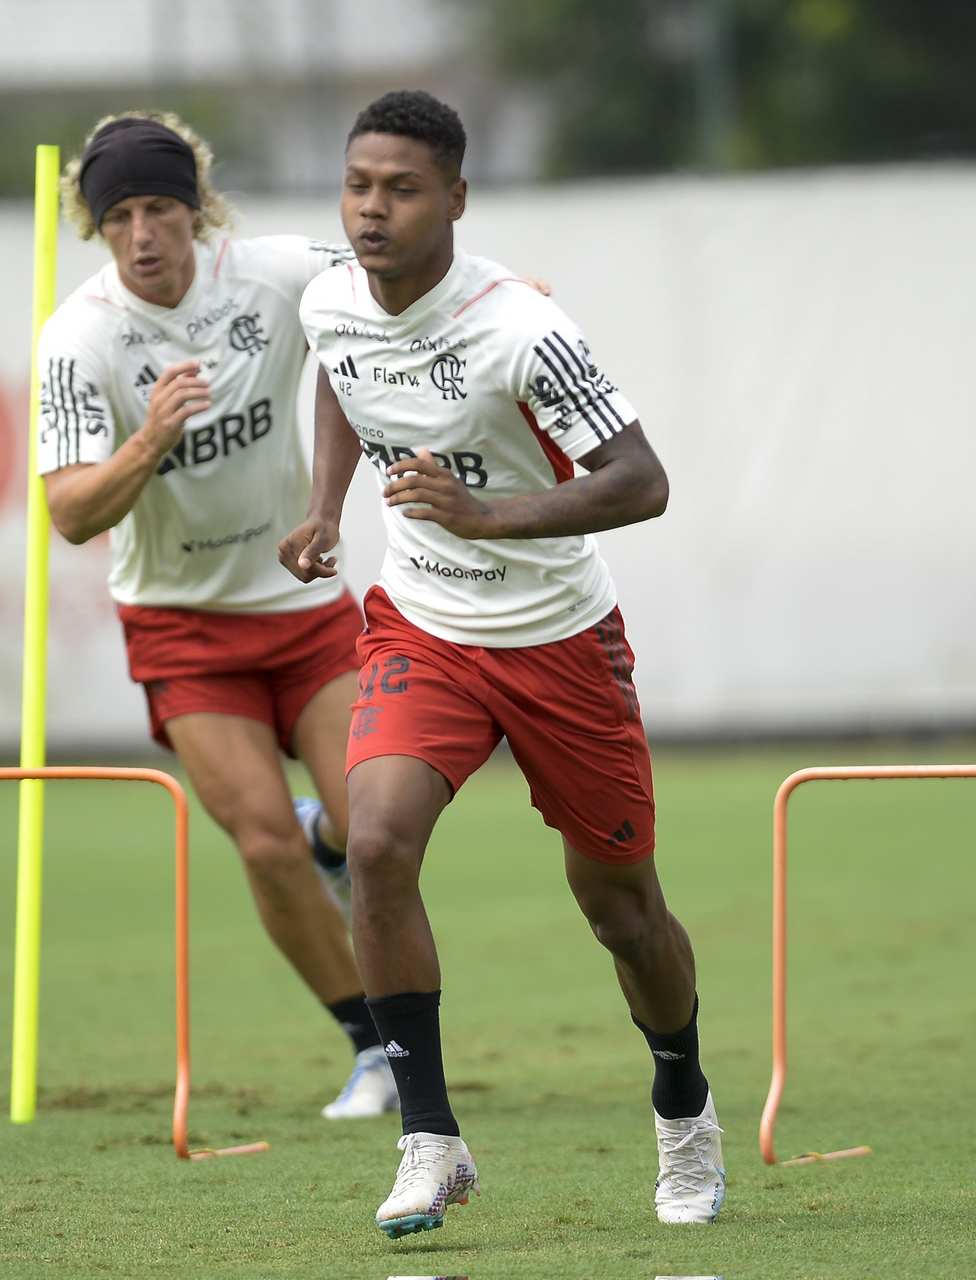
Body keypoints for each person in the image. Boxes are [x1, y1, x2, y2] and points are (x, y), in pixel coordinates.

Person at [279, 90, 725, 1236]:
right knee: (370, 837)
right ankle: (429, 1137)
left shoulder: (519, 324)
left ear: (455, 201)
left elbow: (641, 480)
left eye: (402, 188)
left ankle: (681, 1099)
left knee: (620, 910)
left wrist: (485, 517)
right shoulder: (329, 297)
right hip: (421, 625)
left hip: (559, 640)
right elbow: (338, 370)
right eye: (358, 185)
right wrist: (324, 504)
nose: (373, 209)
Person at [35, 109, 397, 1119]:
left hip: (304, 605)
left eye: (159, 209)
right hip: (182, 625)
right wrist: (147, 440)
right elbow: (69, 514)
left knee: (378, 830)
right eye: (119, 217)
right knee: (262, 839)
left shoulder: (275, 273)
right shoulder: (77, 338)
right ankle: (372, 1045)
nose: (142, 234)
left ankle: (336, 835)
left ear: (195, 212)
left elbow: (396, 269)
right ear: (95, 227)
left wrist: (498, 295)